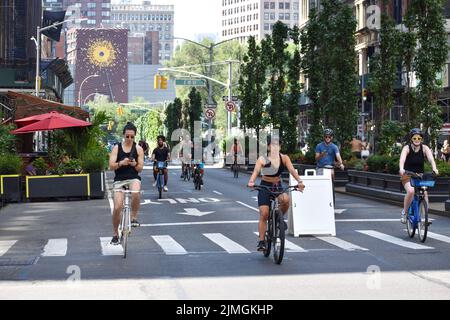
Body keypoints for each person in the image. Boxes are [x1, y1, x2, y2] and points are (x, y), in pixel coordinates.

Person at [247, 136, 305, 251]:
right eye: (272, 145)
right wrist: (251, 181)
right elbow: (256, 171)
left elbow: (292, 170)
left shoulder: (284, 158)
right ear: (268, 147)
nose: (275, 147)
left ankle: (279, 219)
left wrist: (299, 181)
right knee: (264, 213)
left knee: (286, 199)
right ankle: (262, 241)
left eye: (277, 145)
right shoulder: (262, 159)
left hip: (277, 185)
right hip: (264, 186)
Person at [108, 122, 144, 245]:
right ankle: (115, 234)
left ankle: (133, 218)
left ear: (135, 137)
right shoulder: (116, 148)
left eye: (132, 137)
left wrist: (135, 164)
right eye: (127, 136)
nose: (129, 139)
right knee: (118, 207)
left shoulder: (138, 149)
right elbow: (111, 166)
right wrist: (120, 163)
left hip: (133, 177)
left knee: (136, 192)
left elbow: (140, 168)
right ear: (123, 135)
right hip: (119, 179)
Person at [399, 128, 439, 224]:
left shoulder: (425, 148)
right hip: (407, 174)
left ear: (421, 139)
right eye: (414, 138)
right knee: (411, 191)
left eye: (419, 138)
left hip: (420, 176)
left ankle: (425, 217)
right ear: (411, 139)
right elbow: (402, 160)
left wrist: (434, 168)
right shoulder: (406, 148)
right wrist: (401, 168)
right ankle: (404, 213)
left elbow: (431, 159)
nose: (417, 140)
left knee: (424, 193)